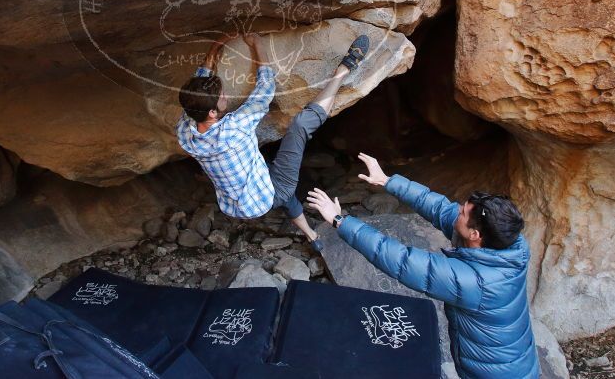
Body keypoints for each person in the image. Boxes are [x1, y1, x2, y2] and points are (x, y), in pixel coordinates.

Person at [306, 153, 539, 378]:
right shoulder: (510, 243)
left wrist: (340, 221)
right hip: (516, 361)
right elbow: (440, 208)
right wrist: (388, 181)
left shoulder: (475, 283)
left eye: (462, 213)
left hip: (494, 372)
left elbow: (400, 260)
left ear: (475, 234)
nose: (456, 209)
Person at [177, 32, 369, 252]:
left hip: (239, 205)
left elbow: (194, 98)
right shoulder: (235, 127)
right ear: (212, 112)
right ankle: (342, 72)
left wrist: (213, 51)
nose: (226, 97)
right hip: (269, 192)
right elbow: (265, 88)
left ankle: (312, 235)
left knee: (278, 187)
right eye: (222, 97)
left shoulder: (185, 130)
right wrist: (258, 45)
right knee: (300, 127)